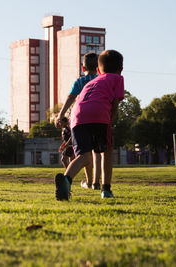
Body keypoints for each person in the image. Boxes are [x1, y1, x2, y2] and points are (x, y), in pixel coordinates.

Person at [55, 49, 125, 200]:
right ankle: (106, 189)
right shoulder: (117, 78)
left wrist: (61, 115)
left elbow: (76, 99)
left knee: (84, 156)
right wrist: (110, 120)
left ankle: (66, 180)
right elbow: (114, 104)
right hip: (98, 115)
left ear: (99, 70)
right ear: (121, 69)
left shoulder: (89, 82)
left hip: (77, 117)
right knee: (107, 151)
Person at [55, 52, 101, 190]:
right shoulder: (101, 81)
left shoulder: (80, 82)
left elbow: (70, 97)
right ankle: (96, 183)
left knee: (84, 153)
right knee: (97, 153)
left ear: (83, 67)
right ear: (98, 67)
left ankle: (88, 181)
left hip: (81, 119)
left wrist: (60, 114)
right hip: (99, 118)